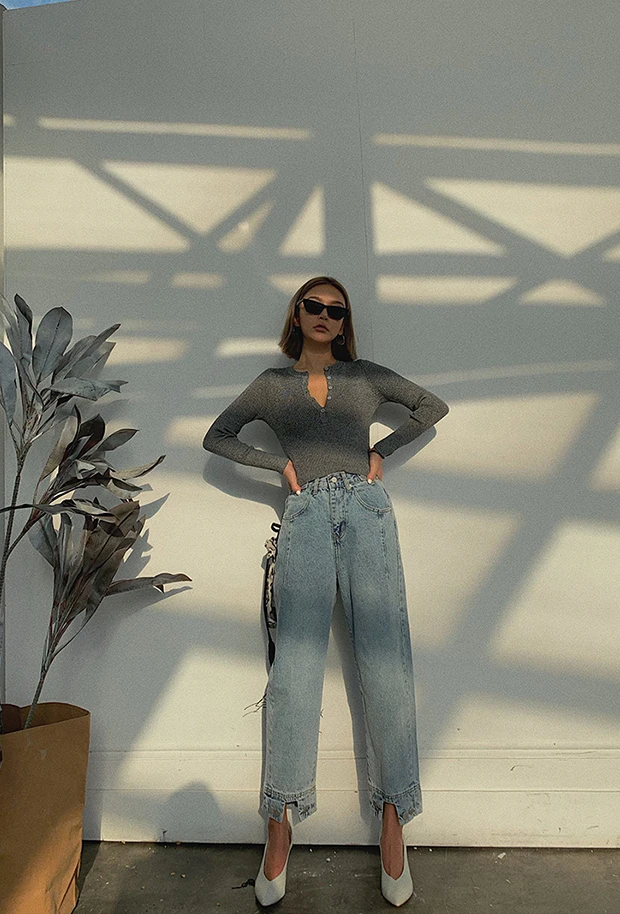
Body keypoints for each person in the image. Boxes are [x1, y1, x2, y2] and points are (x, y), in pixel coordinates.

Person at [203, 276, 449, 907]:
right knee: (295, 671)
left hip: (367, 513)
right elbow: (217, 436)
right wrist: (279, 466)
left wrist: (381, 451)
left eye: (336, 311)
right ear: (297, 314)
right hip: (307, 516)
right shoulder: (271, 385)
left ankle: (394, 820)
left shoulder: (365, 377)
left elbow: (431, 406)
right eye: (313, 306)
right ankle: (280, 822)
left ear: (344, 323)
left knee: (385, 664)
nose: (324, 316)